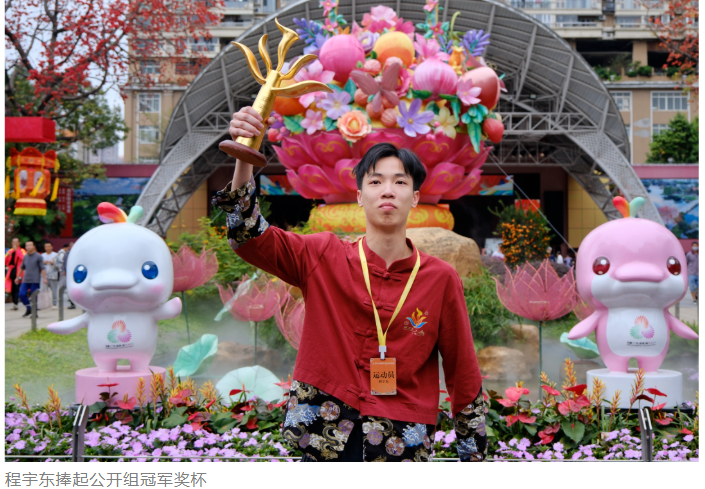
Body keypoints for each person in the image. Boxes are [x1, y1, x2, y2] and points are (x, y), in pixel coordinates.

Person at [212, 107, 486, 462]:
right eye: (375, 182)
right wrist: (245, 153)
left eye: (400, 182)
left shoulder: (440, 278)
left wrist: (472, 461)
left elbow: (463, 371)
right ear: (359, 196)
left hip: (401, 440)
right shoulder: (322, 255)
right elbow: (248, 235)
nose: (388, 191)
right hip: (324, 433)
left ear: (415, 198)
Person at [15, 241, 47, 317]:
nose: (28, 247)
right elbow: (22, 267)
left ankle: (35, 313)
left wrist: (45, 278)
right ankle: (29, 308)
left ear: (34, 246)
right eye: (27, 245)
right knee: (21, 294)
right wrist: (17, 277)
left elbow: (42, 268)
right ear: (25, 247)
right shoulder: (25, 256)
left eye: (30, 245)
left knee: (34, 296)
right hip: (26, 279)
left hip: (35, 280)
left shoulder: (38, 256)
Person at [5, 238, 26, 310]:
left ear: (19, 243)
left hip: (19, 273)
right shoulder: (9, 251)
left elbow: (23, 258)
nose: (15, 243)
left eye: (16, 242)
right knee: (13, 288)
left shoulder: (22, 251)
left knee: (17, 287)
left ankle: (16, 303)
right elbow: (5, 262)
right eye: (13, 242)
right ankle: (15, 303)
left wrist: (17, 250)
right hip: (12, 272)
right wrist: (8, 256)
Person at [42, 241, 60, 308]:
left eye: (49, 246)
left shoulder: (56, 255)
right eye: (46, 246)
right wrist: (43, 263)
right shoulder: (42, 255)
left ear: (52, 247)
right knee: (43, 290)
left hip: (53, 275)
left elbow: (59, 265)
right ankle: (44, 303)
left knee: (54, 290)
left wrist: (54, 263)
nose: (47, 248)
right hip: (44, 275)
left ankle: (54, 303)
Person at [60, 242, 76, 309]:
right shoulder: (66, 253)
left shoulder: (77, 253)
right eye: (71, 246)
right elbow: (64, 262)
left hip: (75, 272)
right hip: (68, 273)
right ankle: (71, 302)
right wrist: (64, 270)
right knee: (68, 287)